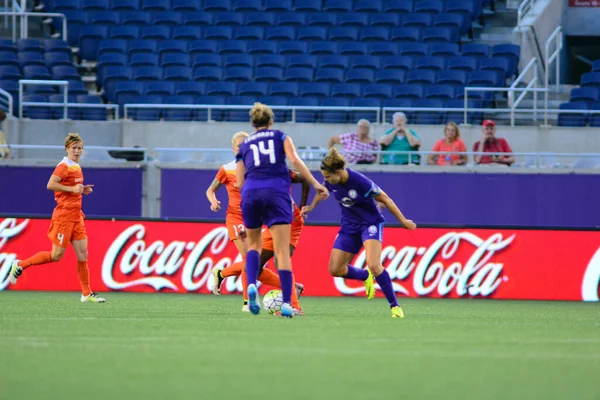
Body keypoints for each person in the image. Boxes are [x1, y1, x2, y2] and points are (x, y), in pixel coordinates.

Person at [236, 103, 328, 317]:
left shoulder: (244, 145)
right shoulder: (280, 136)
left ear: (252, 123)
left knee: (253, 247)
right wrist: (316, 184)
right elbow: (295, 160)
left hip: (250, 193)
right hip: (277, 193)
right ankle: (287, 303)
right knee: (281, 253)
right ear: (271, 121)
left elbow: (239, 182)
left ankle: (251, 286)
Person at [301, 148, 416, 318]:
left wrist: (403, 221)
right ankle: (364, 276)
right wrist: (311, 207)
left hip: (370, 224)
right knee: (335, 269)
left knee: (374, 265)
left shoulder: (359, 181)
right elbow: (322, 191)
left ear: (339, 172)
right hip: (349, 226)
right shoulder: (332, 181)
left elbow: (385, 198)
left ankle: (395, 307)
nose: (326, 180)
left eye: (328, 177)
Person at [206, 131, 304, 312]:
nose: (242, 148)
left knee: (255, 262)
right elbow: (210, 190)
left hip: (253, 215)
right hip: (235, 217)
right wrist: (213, 201)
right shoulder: (226, 169)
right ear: (233, 148)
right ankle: (247, 302)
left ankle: (222, 273)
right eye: (238, 145)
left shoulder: (256, 168)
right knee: (249, 259)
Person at [8, 133, 106, 303]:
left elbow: (72, 187)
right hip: (63, 217)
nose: (77, 151)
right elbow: (50, 184)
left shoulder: (76, 166)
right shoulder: (63, 166)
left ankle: (86, 293)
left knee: (83, 255)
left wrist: (82, 190)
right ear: (67, 149)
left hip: (77, 217)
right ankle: (20, 264)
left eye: (79, 148)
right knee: (56, 256)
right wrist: (74, 189)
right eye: (74, 148)